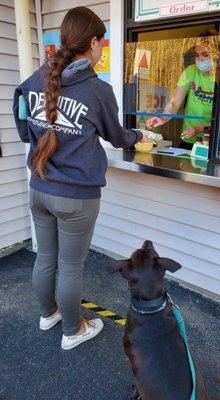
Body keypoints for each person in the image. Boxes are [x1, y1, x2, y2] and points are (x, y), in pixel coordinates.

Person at [13, 7, 148, 350]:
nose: (102, 49)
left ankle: (49, 314)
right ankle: (72, 331)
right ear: (91, 43)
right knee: (70, 267)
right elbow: (118, 137)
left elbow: (24, 130)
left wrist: (49, 135)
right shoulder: (97, 91)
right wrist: (140, 136)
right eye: (101, 42)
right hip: (76, 197)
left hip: (40, 189)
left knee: (46, 257)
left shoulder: (32, 82)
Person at [147, 31, 218, 149]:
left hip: (211, 141)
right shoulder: (191, 71)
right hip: (188, 138)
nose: (200, 59)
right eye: (196, 55)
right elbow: (175, 102)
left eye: (205, 54)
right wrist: (162, 118)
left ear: (216, 54)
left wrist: (201, 128)